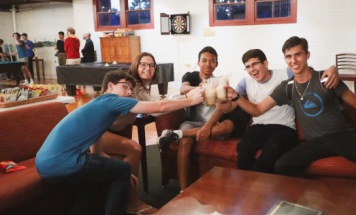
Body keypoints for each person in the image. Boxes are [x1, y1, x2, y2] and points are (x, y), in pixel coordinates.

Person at [222, 36, 356, 189]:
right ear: (285, 59)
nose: (294, 60)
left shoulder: (325, 79)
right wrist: (235, 96)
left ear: (307, 55)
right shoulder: (287, 87)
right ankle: (324, 195)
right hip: (316, 143)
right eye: (289, 56)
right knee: (282, 166)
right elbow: (257, 110)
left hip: (342, 136)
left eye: (298, 54)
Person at [35, 70, 205, 215]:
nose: (128, 92)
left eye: (131, 89)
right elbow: (159, 107)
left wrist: (116, 172)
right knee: (123, 168)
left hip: (45, 164)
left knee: (99, 178)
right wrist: (191, 100)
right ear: (110, 86)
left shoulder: (98, 105)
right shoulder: (110, 100)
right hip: (62, 163)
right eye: (124, 86)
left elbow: (96, 151)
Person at [217, 49, 339, 173]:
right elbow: (228, 108)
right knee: (243, 148)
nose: (251, 69)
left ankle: (256, 184)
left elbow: (308, 73)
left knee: (270, 151)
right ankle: (245, 183)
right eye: (248, 67)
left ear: (265, 63)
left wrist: (332, 68)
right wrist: (221, 98)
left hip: (284, 127)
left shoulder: (286, 74)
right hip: (258, 126)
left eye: (255, 64)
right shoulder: (245, 82)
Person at [157, 46, 250, 191]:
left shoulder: (220, 82)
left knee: (227, 128)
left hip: (213, 123)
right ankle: (183, 190)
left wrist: (207, 127)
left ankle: (174, 133)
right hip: (192, 122)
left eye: (212, 61)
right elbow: (183, 89)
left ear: (216, 64)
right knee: (185, 142)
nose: (208, 64)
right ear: (198, 62)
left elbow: (221, 108)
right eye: (204, 60)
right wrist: (200, 88)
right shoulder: (191, 76)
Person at [99, 52, 162, 214]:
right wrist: (186, 98)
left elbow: (141, 110)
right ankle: (131, 202)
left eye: (151, 65)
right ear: (136, 65)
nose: (148, 68)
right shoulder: (132, 87)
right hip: (99, 132)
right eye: (144, 65)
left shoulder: (137, 87)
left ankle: (122, 201)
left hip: (109, 130)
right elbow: (156, 109)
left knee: (124, 158)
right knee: (135, 149)